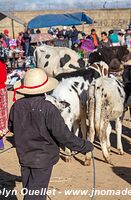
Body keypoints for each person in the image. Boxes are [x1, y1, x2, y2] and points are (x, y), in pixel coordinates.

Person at [9, 68, 94, 200]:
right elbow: (63, 135)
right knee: (35, 195)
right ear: (45, 89)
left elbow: (12, 127)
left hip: (24, 156)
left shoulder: (17, 106)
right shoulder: (48, 108)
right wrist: (84, 145)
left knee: (30, 189)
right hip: (43, 158)